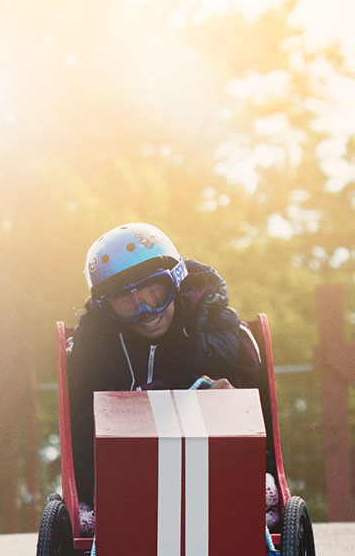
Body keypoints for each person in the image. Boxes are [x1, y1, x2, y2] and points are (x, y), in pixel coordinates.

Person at [65, 222, 265, 535]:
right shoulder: (92, 346)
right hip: (125, 477)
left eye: (154, 292)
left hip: (211, 469)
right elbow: (79, 419)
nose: (144, 310)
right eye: (124, 302)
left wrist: (222, 394)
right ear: (107, 308)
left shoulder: (217, 326)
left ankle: (247, 499)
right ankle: (99, 509)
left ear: (176, 282)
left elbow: (247, 395)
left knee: (223, 395)